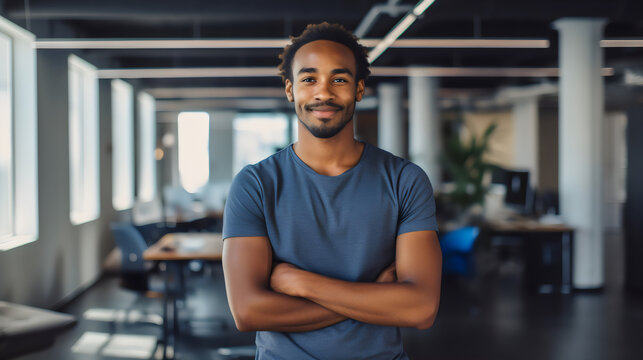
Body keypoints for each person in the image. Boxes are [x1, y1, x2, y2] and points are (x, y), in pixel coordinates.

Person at [222, 22, 441, 359]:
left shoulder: (405, 180)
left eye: (339, 79)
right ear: (290, 89)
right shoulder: (255, 184)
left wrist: (303, 284)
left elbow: (420, 309)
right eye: (309, 79)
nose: (323, 93)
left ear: (359, 89)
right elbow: (249, 311)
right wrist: (374, 297)